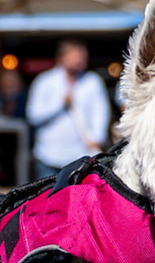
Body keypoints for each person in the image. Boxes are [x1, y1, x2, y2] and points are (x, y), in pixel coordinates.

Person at [27, 39, 110, 179]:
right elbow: (33, 115)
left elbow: (100, 111)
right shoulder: (44, 81)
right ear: (62, 57)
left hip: (81, 155)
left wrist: (97, 136)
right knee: (48, 200)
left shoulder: (92, 81)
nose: (80, 61)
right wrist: (59, 104)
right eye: (76, 57)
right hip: (48, 155)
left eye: (83, 57)